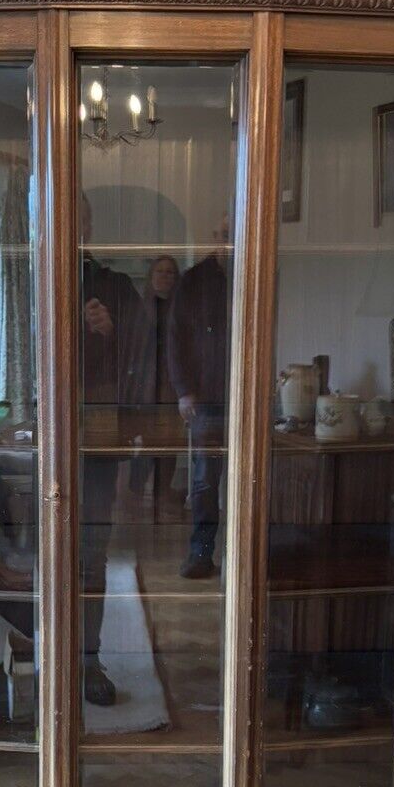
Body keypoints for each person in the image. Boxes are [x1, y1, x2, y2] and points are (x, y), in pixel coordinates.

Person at [79, 196, 141, 706]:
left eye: (78, 214)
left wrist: (111, 333)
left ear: (88, 222)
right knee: (27, 559)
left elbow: (147, 355)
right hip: (37, 437)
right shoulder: (23, 283)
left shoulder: (116, 288)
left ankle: (86, 659)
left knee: (90, 557)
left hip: (95, 438)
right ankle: (34, 654)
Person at [169, 222, 229, 579]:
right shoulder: (194, 281)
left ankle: (244, 558)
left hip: (245, 398)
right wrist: (184, 391)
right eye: (223, 235)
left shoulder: (254, 273)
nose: (229, 242)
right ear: (215, 239)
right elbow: (175, 339)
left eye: (234, 234)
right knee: (206, 481)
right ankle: (201, 555)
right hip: (206, 399)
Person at [127, 255, 180, 523]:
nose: (165, 276)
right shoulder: (141, 307)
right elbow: (133, 351)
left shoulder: (181, 308)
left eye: (170, 272)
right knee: (146, 447)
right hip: (146, 388)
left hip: (172, 388)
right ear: (151, 275)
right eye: (160, 271)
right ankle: (135, 495)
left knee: (169, 447)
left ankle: (162, 496)